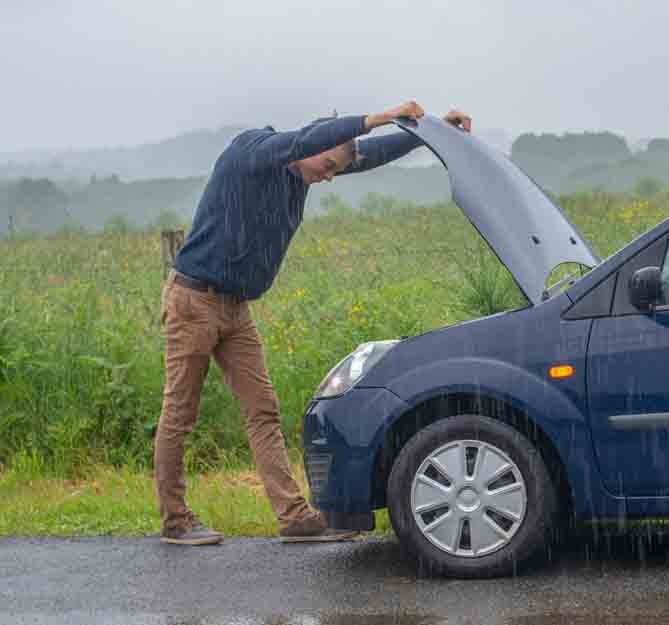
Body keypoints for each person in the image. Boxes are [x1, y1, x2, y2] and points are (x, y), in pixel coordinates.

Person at [155, 101, 473, 545]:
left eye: (334, 170)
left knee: (263, 410)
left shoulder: (304, 169)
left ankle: (294, 518)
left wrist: (431, 133)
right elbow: (305, 141)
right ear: (313, 145)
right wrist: (379, 116)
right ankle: (176, 520)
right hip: (194, 300)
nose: (327, 177)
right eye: (327, 166)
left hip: (236, 308)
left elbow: (368, 156)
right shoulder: (252, 151)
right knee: (180, 414)